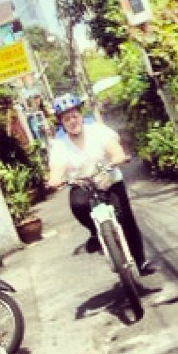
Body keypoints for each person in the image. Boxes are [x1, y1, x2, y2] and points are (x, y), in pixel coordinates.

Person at [47, 93, 154, 275]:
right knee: (78, 204)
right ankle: (95, 232)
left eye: (74, 116)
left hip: (108, 179)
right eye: (66, 119)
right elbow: (57, 168)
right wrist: (55, 180)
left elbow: (115, 150)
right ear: (62, 123)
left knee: (125, 218)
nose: (72, 121)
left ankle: (141, 261)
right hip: (82, 184)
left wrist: (117, 158)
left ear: (81, 115)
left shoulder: (98, 131)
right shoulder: (60, 145)